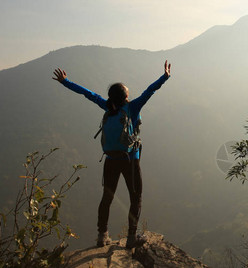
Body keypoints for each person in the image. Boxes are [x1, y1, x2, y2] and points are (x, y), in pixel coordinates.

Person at [52, 60, 171, 248]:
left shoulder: (108, 107)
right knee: (136, 197)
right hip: (130, 160)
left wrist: (65, 82)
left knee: (107, 197)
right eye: (127, 92)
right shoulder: (132, 108)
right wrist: (165, 77)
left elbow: (87, 93)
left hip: (110, 160)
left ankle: (102, 236)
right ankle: (132, 238)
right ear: (125, 96)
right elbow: (150, 91)